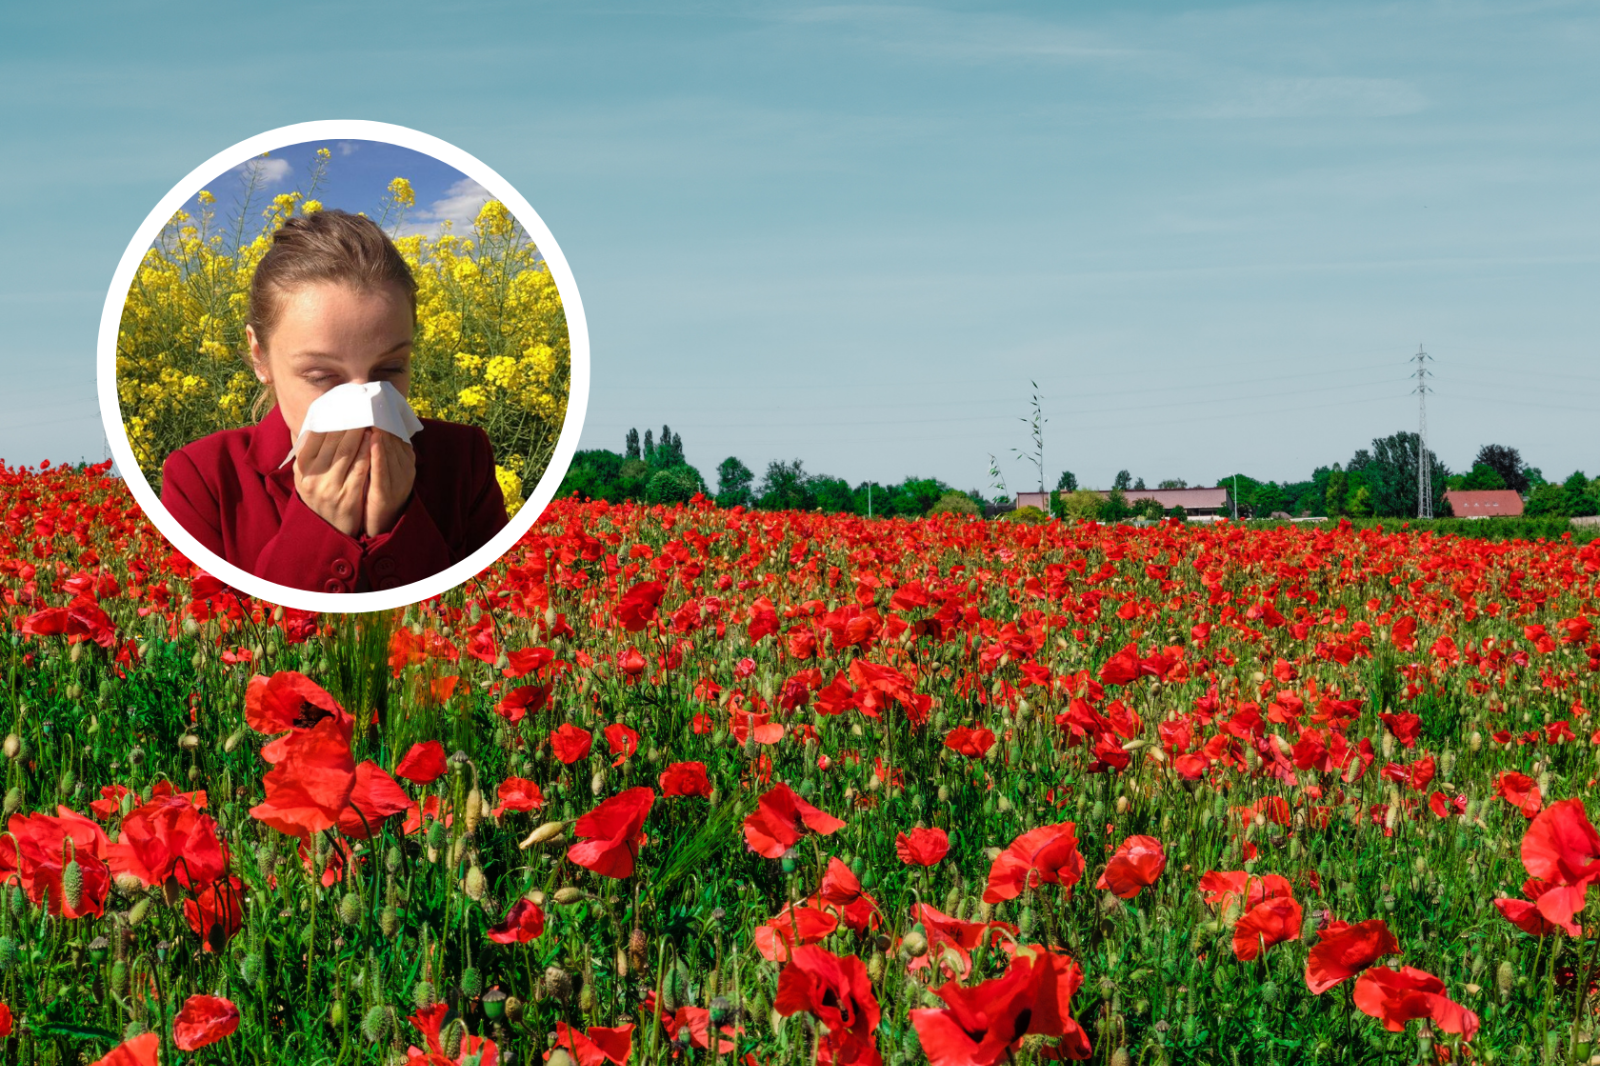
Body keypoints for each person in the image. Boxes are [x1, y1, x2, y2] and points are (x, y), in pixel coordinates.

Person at [160, 209, 509, 594]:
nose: (364, 401)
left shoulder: (462, 460)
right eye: (322, 376)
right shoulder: (204, 478)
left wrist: (397, 522)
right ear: (260, 357)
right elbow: (220, 639)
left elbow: (486, 619)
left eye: (390, 368)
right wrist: (316, 526)